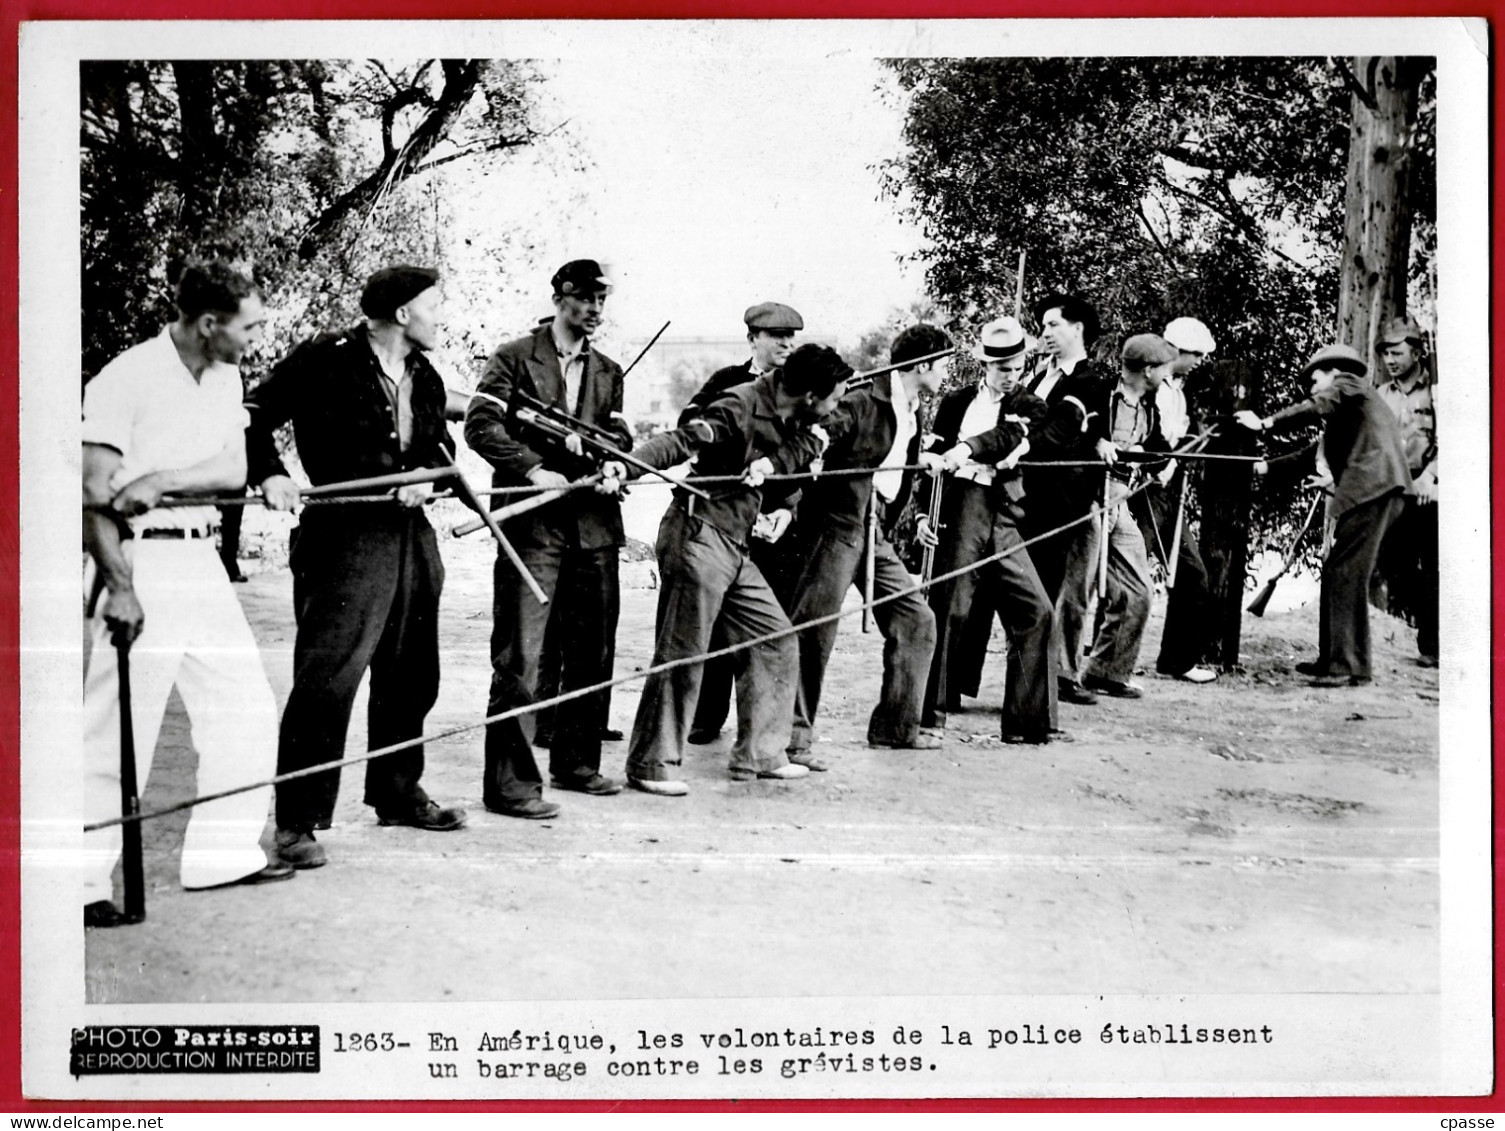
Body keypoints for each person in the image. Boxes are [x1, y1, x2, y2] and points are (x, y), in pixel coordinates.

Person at [82, 262, 290, 927]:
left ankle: (221, 855)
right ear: (209, 324)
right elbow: (89, 491)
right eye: (248, 325)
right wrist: (120, 586)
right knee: (114, 725)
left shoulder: (225, 376)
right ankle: (81, 880)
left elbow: (233, 469)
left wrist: (165, 478)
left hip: (199, 556)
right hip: (139, 555)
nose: (255, 338)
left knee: (246, 705)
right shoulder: (128, 376)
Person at [247, 265, 468, 870]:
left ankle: (397, 793)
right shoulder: (325, 357)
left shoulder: (424, 375)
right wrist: (269, 472)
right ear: (402, 314)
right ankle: (297, 820)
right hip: (343, 535)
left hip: (410, 538)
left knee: (413, 673)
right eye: (434, 305)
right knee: (328, 682)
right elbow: (253, 414)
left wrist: (427, 477)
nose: (441, 316)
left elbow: (435, 452)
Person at [608, 344, 844, 795]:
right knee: (684, 653)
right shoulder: (739, 404)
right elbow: (681, 441)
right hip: (698, 533)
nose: (837, 407)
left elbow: (811, 438)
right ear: (811, 394)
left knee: (774, 638)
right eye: (833, 398)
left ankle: (762, 753)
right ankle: (650, 765)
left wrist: (773, 463)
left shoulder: (800, 411)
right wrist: (627, 467)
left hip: (736, 544)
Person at [464, 259, 634, 817]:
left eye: (601, 300)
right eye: (585, 298)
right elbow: (480, 425)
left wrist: (613, 461)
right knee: (520, 655)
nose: (594, 309)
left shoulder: (609, 370)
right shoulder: (515, 356)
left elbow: (617, 431)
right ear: (560, 297)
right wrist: (534, 468)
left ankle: (577, 763)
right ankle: (510, 786)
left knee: (594, 650)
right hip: (533, 523)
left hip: (594, 525)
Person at [781, 324, 947, 764]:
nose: (946, 372)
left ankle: (896, 728)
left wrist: (921, 459)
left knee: (916, 620)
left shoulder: (912, 404)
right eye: (943, 363)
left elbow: (894, 457)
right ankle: (791, 741)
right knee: (812, 633)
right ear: (924, 364)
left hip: (873, 530)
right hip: (833, 527)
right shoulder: (861, 397)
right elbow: (824, 429)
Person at [918, 317, 1066, 744]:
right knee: (951, 608)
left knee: (1036, 610)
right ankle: (930, 712)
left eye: (1018, 366)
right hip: (962, 506)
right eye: (1003, 368)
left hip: (1002, 513)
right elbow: (930, 461)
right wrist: (926, 516)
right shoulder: (955, 402)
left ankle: (1024, 724)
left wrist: (964, 449)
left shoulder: (1031, 403)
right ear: (986, 365)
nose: (1011, 376)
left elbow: (1007, 435)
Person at [1235, 343, 1412, 686]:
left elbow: (1316, 405)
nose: (1313, 389)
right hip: (1372, 491)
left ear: (1333, 371)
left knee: (1344, 572)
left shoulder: (1349, 383)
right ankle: (1340, 661)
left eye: (1315, 379)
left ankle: (1344, 665)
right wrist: (1260, 469)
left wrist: (1265, 423)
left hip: (1373, 489)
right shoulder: (1348, 413)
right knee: (1339, 571)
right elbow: (1307, 456)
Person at [681, 302, 805, 746]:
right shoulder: (726, 383)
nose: (786, 344)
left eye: (791, 337)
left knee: (769, 628)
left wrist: (788, 509)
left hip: (776, 524)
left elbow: (803, 459)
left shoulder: (801, 390)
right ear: (753, 338)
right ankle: (704, 718)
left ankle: (759, 735)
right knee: (713, 626)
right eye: (776, 337)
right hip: (728, 518)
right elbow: (690, 428)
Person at [1059, 334, 1180, 700]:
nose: (1168, 376)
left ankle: (1106, 671)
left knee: (1137, 591)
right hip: (1088, 499)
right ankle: (1061, 675)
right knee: (1077, 590)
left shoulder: (1149, 404)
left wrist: (1164, 462)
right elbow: (1068, 432)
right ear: (1147, 370)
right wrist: (1097, 442)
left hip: (1121, 499)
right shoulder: (1099, 392)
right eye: (1164, 369)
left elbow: (1158, 447)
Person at [1022, 293, 1112, 706]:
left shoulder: (1092, 381)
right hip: (1030, 496)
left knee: (1070, 590)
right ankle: (1037, 672)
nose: (1046, 333)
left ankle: (1063, 674)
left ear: (1077, 329)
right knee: (1036, 587)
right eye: (1043, 327)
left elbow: (1072, 433)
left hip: (1069, 500)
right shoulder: (1038, 375)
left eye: (1053, 325)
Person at [1136, 316, 1221, 684]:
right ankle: (1099, 660)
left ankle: (1177, 660)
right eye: (1196, 354)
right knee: (1127, 573)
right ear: (1178, 351)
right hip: (1142, 491)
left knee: (1192, 574)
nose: (1200, 361)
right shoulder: (1150, 385)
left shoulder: (1179, 391)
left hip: (1168, 492)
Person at [1372, 317, 1438, 667]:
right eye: (1385, 354)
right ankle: (1430, 622)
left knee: (1435, 566)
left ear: (1417, 352)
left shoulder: (1438, 391)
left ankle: (1433, 646)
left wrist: (1433, 475)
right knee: (1391, 561)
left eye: (1397, 352)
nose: (1390, 360)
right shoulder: (1381, 395)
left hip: (1430, 490)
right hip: (1394, 489)